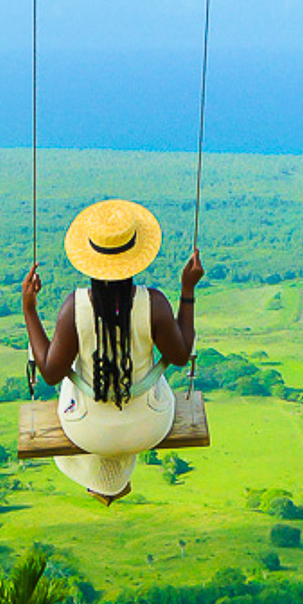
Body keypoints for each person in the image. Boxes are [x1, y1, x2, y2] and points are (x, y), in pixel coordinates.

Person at [22, 197, 204, 503]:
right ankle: (110, 480)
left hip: (85, 429)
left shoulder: (74, 308)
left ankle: (106, 480)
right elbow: (181, 356)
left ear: (90, 258)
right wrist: (187, 291)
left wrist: (29, 310)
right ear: (136, 256)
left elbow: (51, 373)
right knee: (149, 377)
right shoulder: (154, 304)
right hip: (149, 426)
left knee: (71, 376)